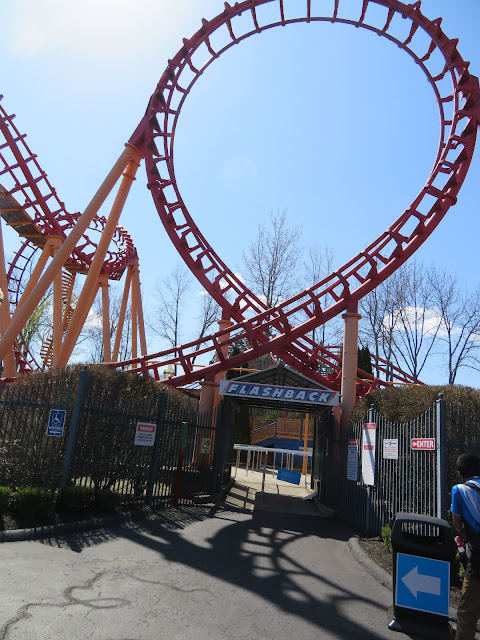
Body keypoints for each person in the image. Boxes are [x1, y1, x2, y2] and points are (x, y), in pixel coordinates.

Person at [451, 452, 480, 640]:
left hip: (478, 559)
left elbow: (457, 525)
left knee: (467, 612)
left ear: (460, 473)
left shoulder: (460, 490)